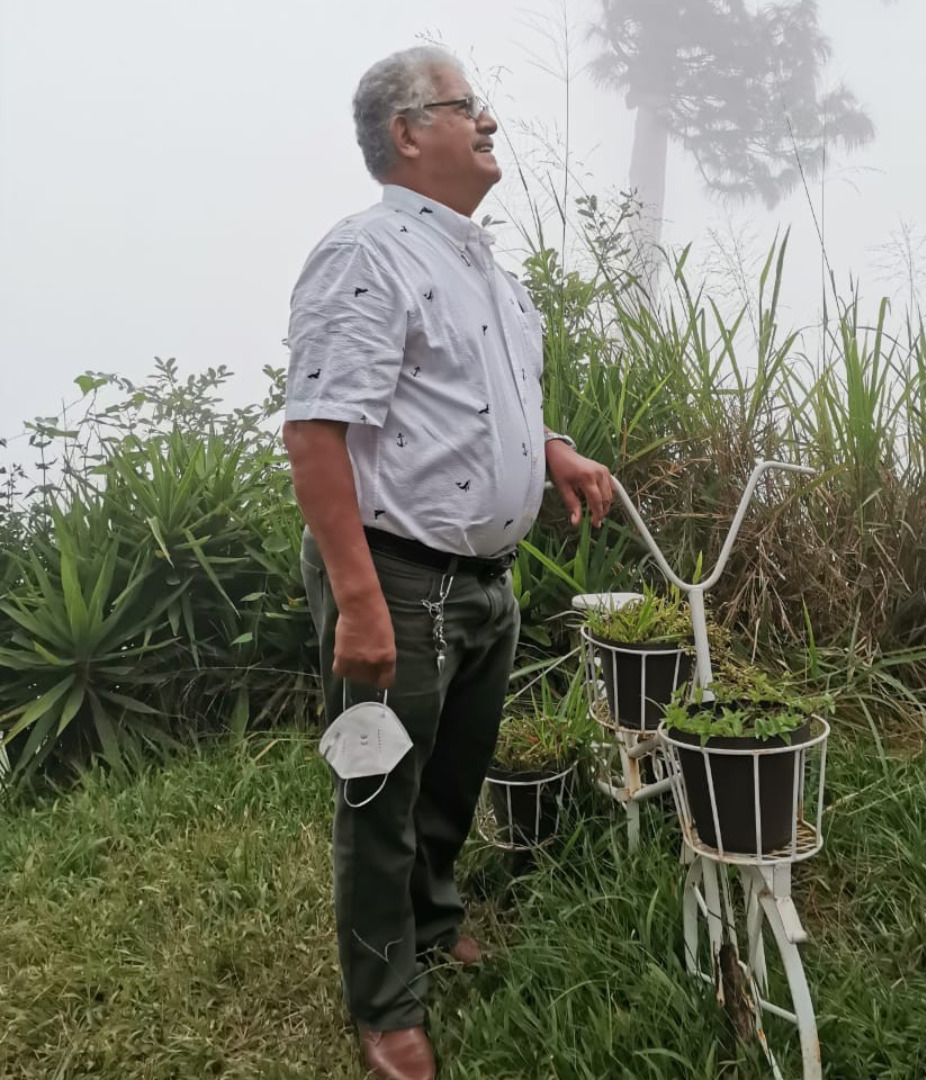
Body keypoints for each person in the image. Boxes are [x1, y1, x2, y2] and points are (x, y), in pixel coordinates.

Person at [282, 45, 615, 1080]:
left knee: (451, 781)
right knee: (379, 791)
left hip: (482, 583)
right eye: (466, 106)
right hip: (397, 577)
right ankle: (384, 1002)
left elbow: (476, 404)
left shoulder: (486, 272)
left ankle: (428, 923)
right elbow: (316, 432)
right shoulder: (367, 254)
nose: (490, 122)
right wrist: (358, 601)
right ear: (407, 133)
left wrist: (552, 449)